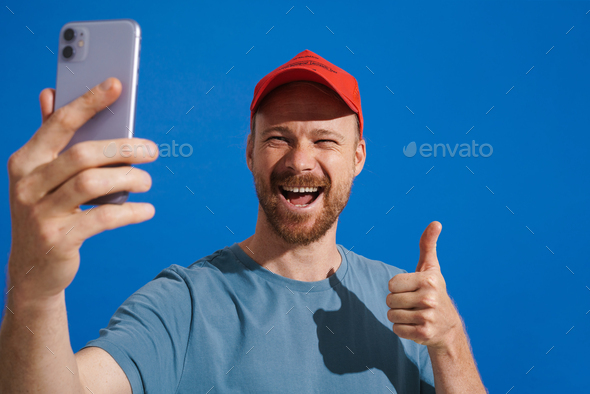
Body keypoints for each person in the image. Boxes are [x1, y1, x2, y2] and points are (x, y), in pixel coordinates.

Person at [0, 49, 486, 393]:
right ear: (250, 152)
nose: (300, 161)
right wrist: (35, 291)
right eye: (278, 138)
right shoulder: (183, 304)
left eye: (325, 141)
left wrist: (448, 340)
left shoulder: (404, 304)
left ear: (358, 157)